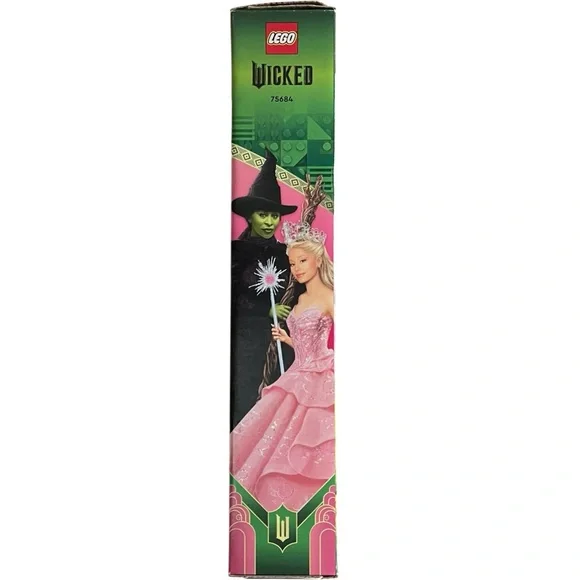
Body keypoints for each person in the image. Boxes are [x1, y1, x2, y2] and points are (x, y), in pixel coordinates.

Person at [230, 222, 334, 512]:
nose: (296, 269)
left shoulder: (330, 296)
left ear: (318, 259)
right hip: (296, 375)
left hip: (320, 378)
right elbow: (305, 341)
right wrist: (288, 339)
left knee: (312, 440)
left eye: (302, 261)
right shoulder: (301, 298)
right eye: (292, 263)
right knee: (269, 436)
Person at [231, 150, 298, 430]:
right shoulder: (235, 252)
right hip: (247, 345)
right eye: (263, 215)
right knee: (247, 399)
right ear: (250, 217)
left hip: (283, 342)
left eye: (274, 215)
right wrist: (266, 310)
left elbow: (299, 290)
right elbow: (231, 298)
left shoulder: (288, 253)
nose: (270, 222)